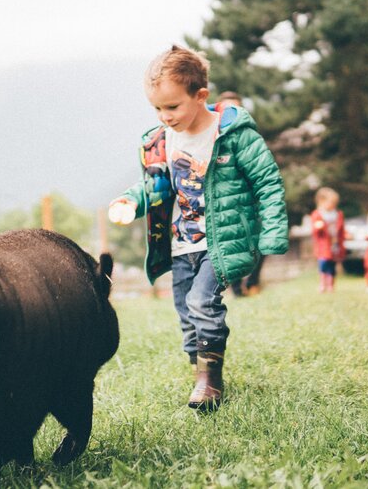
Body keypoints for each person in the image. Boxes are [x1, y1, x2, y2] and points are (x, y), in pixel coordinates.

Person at [108, 45, 288, 411]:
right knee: (186, 315)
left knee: (201, 302)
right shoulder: (159, 141)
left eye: (172, 107)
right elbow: (156, 187)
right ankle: (199, 373)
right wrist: (130, 200)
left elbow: (268, 182)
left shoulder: (234, 135)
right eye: (157, 108)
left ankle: (211, 382)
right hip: (181, 244)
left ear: (200, 95)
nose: (164, 116)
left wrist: (271, 232)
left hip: (223, 241)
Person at [217, 91, 267, 298]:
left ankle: (253, 281)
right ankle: (238, 289)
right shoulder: (214, 138)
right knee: (234, 247)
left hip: (250, 201)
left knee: (260, 244)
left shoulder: (250, 136)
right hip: (226, 204)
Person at [310, 187, 345, 293]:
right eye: (331, 202)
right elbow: (314, 232)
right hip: (323, 245)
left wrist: (344, 237)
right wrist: (318, 227)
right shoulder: (317, 214)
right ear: (322, 201)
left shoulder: (338, 214)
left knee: (332, 265)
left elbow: (342, 229)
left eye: (335, 203)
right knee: (323, 263)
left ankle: (331, 285)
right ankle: (322, 284)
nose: (334, 205)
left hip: (335, 244)